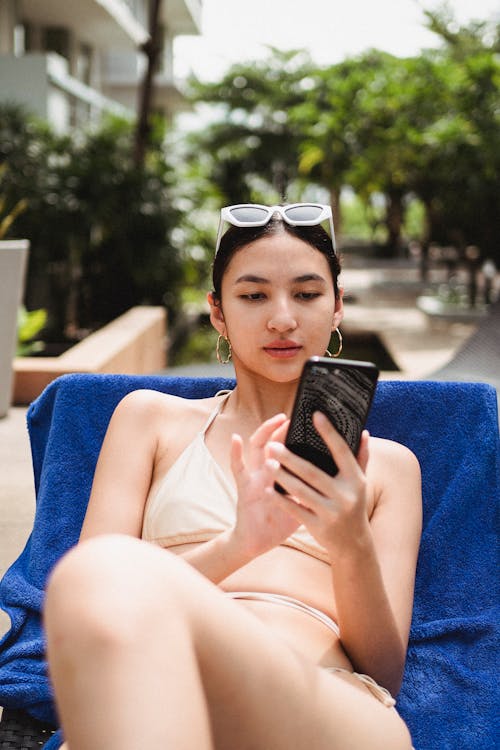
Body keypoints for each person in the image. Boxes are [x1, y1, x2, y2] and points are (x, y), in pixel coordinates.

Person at [44, 203, 422, 750]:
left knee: (102, 571)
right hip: (164, 686)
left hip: (325, 702)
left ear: (337, 307)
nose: (283, 318)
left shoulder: (386, 466)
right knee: (96, 574)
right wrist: (239, 544)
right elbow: (91, 612)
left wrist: (350, 543)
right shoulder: (149, 420)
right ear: (217, 313)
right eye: (253, 295)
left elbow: (384, 669)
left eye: (308, 294)